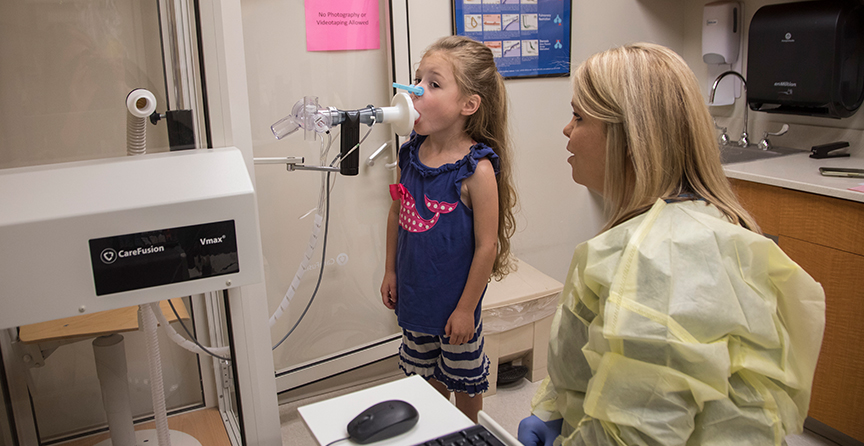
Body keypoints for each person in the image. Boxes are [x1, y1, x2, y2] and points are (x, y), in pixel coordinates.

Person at [518, 43, 826, 446]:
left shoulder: (657, 261)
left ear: (629, 137)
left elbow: (634, 434)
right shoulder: (697, 228)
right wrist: (556, 409)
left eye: (578, 116)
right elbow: (618, 367)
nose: (566, 128)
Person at [379, 35, 517, 423]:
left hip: (456, 308)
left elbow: (486, 247)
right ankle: (438, 429)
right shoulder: (409, 152)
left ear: (468, 105)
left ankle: (468, 433)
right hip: (415, 298)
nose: (415, 90)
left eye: (433, 84)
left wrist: (465, 309)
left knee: (464, 382)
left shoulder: (478, 170)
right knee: (426, 379)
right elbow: (396, 213)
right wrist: (390, 270)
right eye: (416, 79)